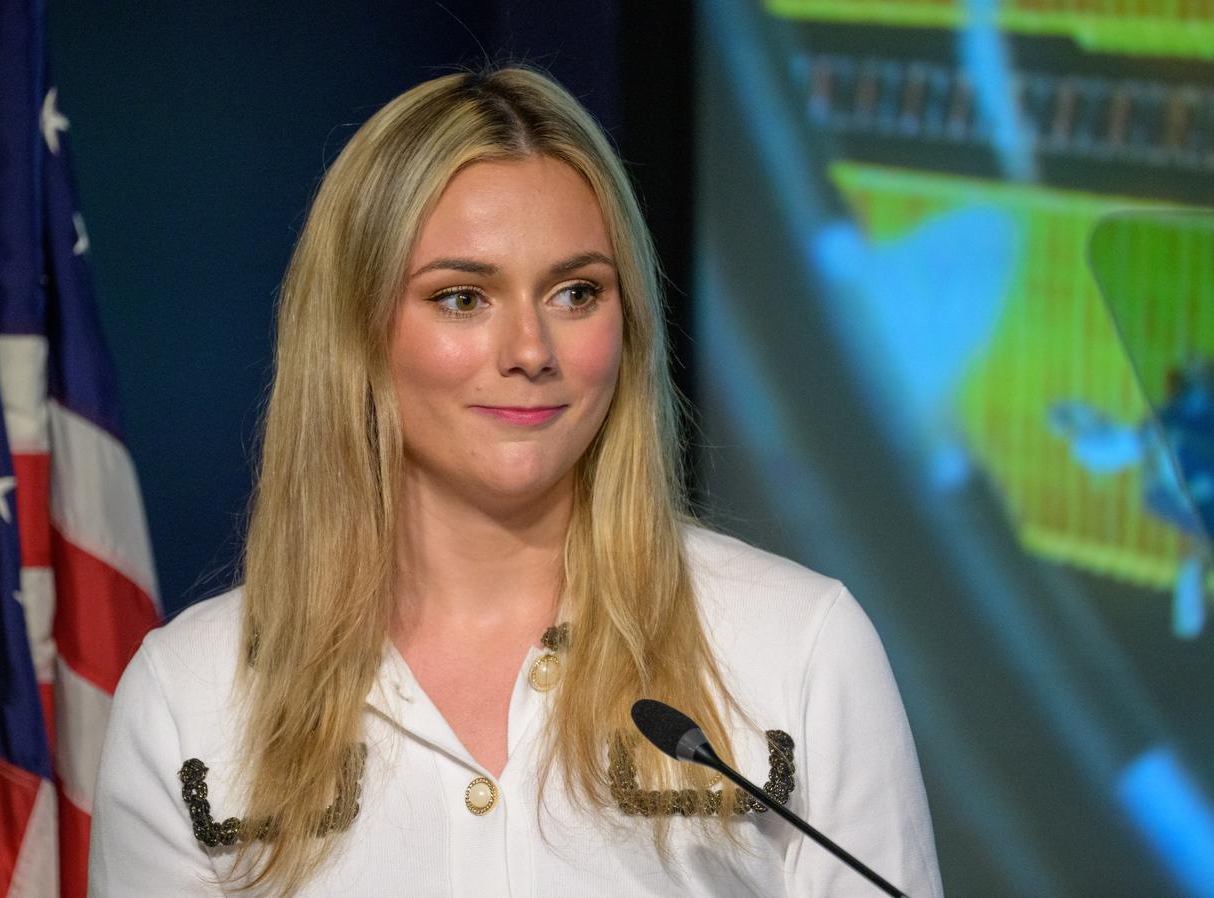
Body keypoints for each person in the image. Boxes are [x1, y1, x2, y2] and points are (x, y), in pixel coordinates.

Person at [88, 66, 943, 897]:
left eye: (576, 292)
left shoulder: (799, 645)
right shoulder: (188, 692)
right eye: (464, 298)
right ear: (355, 331)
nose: (531, 351)